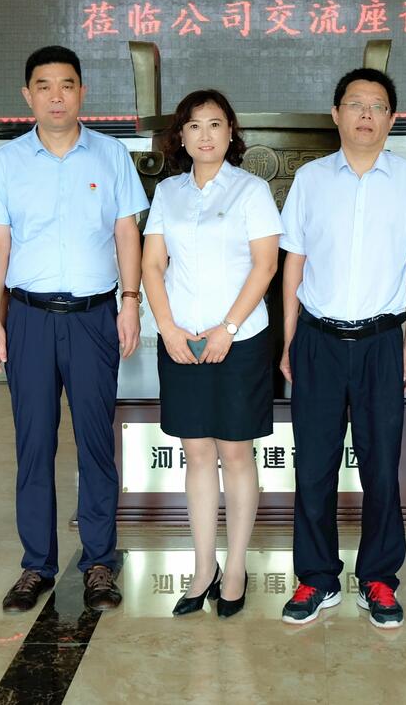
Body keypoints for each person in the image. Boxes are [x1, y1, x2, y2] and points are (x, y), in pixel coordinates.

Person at [0, 46, 148, 613]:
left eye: (67, 85)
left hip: (94, 317)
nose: (56, 96)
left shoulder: (111, 155)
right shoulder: (7, 161)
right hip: (27, 318)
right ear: (27, 95)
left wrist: (131, 302)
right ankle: (37, 564)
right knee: (34, 444)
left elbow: (127, 233)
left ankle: (99, 561)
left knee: (96, 442)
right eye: (44, 86)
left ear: (82, 93)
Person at [278, 67, 406, 629]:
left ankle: (378, 578)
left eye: (377, 105)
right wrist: (290, 339)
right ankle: (316, 577)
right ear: (336, 114)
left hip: (382, 341)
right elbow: (293, 262)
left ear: (392, 119)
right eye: (355, 103)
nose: (366, 114)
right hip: (318, 340)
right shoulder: (311, 180)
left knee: (381, 467)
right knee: (313, 466)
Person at [141, 89, 282, 619]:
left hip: (239, 342)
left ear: (230, 133)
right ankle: (204, 568)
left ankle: (236, 567)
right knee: (197, 453)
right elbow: (153, 265)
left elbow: (265, 266)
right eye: (194, 125)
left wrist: (228, 327)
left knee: (236, 453)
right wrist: (168, 328)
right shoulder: (168, 192)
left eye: (215, 124)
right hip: (181, 340)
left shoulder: (251, 190)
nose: (205, 135)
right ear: (181, 136)